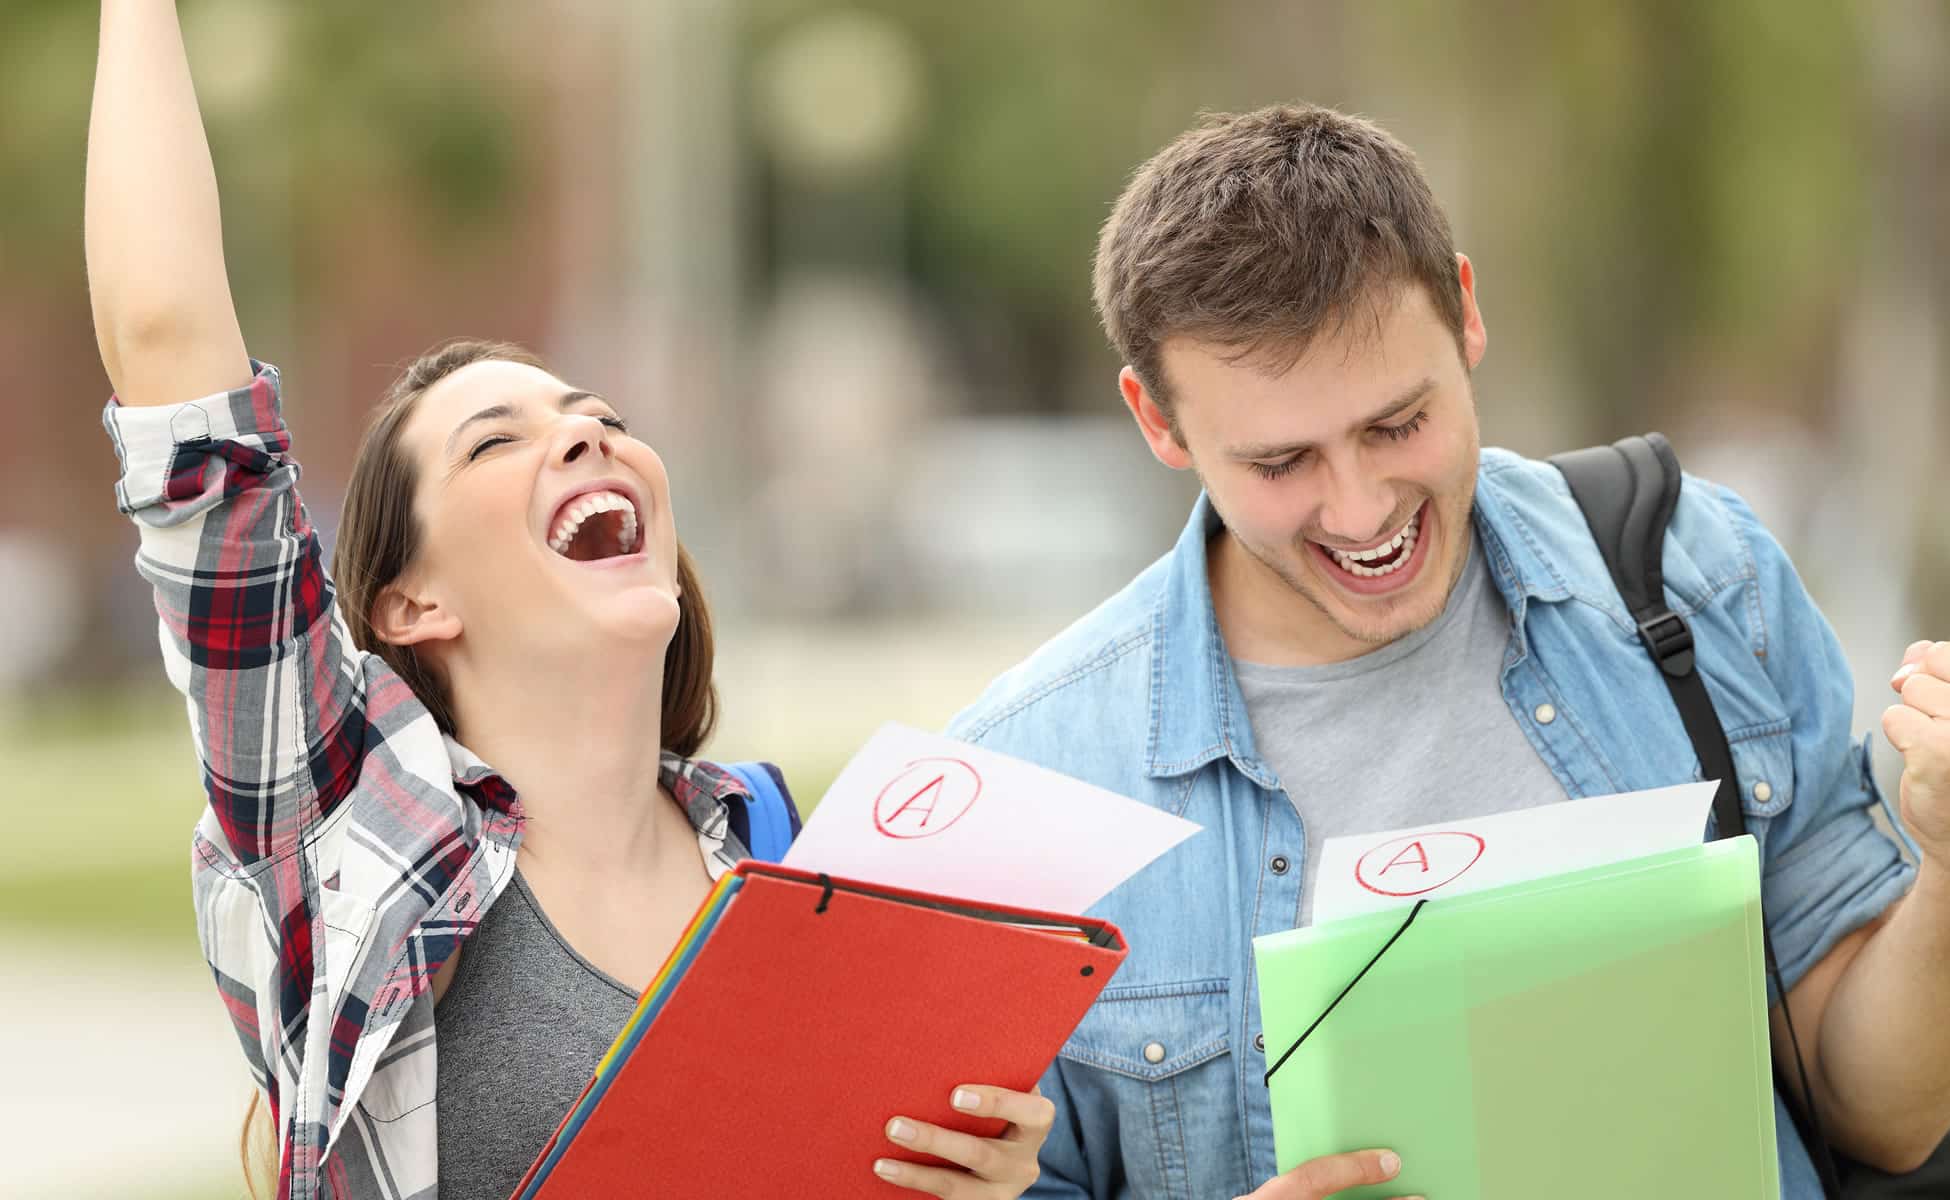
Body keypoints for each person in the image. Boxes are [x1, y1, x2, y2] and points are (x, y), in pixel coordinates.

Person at [86, 4, 1052, 1198]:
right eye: (499, 442)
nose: (587, 438)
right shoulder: (338, 821)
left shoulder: (779, 861)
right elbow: (169, 350)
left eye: (603, 420)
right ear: (409, 601)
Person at [948, 103, 1950, 1200]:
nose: (1362, 506)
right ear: (1160, 421)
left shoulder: (1697, 574)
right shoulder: (1030, 781)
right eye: (1282, 462)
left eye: (1397, 424)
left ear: (1466, 313)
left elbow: (1883, 1119)